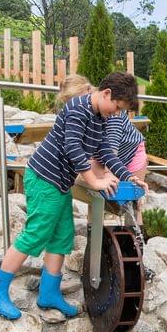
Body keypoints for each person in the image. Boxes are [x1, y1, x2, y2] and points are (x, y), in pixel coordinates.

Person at [0, 71, 146, 321]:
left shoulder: (100, 117)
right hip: (43, 179)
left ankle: (49, 294)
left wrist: (127, 175)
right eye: (116, 107)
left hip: (59, 184)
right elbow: (73, 149)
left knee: (61, 236)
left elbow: (104, 150)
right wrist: (95, 181)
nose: (116, 113)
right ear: (106, 93)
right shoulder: (77, 108)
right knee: (36, 233)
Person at [55, 74, 148, 224]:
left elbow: (111, 144)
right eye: (69, 103)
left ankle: (134, 244)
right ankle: (95, 242)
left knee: (134, 201)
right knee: (96, 194)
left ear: (87, 91)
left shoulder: (111, 109)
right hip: (105, 155)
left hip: (131, 152)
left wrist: (109, 173)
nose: (76, 105)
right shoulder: (82, 110)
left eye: (78, 99)